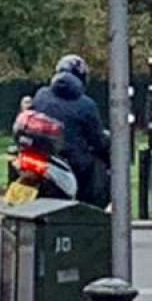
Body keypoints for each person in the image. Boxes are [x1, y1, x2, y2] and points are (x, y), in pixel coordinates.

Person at [31, 54, 109, 208]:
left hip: (41, 155)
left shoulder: (41, 95)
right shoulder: (87, 105)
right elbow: (97, 140)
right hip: (72, 161)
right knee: (96, 165)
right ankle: (91, 209)